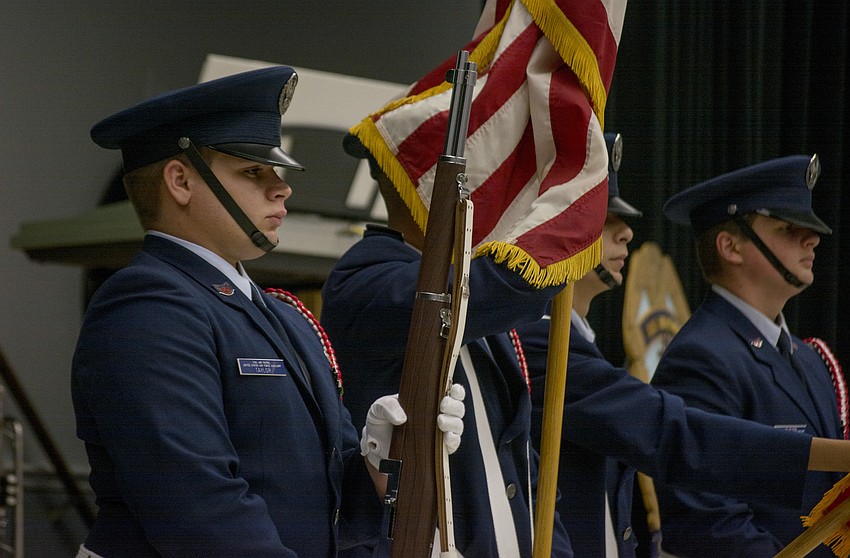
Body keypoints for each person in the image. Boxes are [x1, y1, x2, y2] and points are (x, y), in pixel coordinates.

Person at [71, 67, 464, 558]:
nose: (282, 188)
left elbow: (333, 510)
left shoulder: (281, 316)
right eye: (253, 172)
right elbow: (198, 512)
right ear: (180, 181)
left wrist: (382, 458)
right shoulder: (147, 309)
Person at [515, 138, 850, 558]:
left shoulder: (811, 359)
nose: (626, 232)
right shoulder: (700, 354)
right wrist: (834, 455)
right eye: (600, 216)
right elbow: (678, 450)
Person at [320, 134, 573, 557]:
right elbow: (504, 288)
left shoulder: (476, 305)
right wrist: (569, 222)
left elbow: (520, 472)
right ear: (432, 189)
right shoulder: (364, 281)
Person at [651, 154, 845, 557]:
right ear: (730, 246)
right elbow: (707, 524)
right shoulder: (701, 358)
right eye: (787, 228)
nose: (812, 239)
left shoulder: (809, 359)